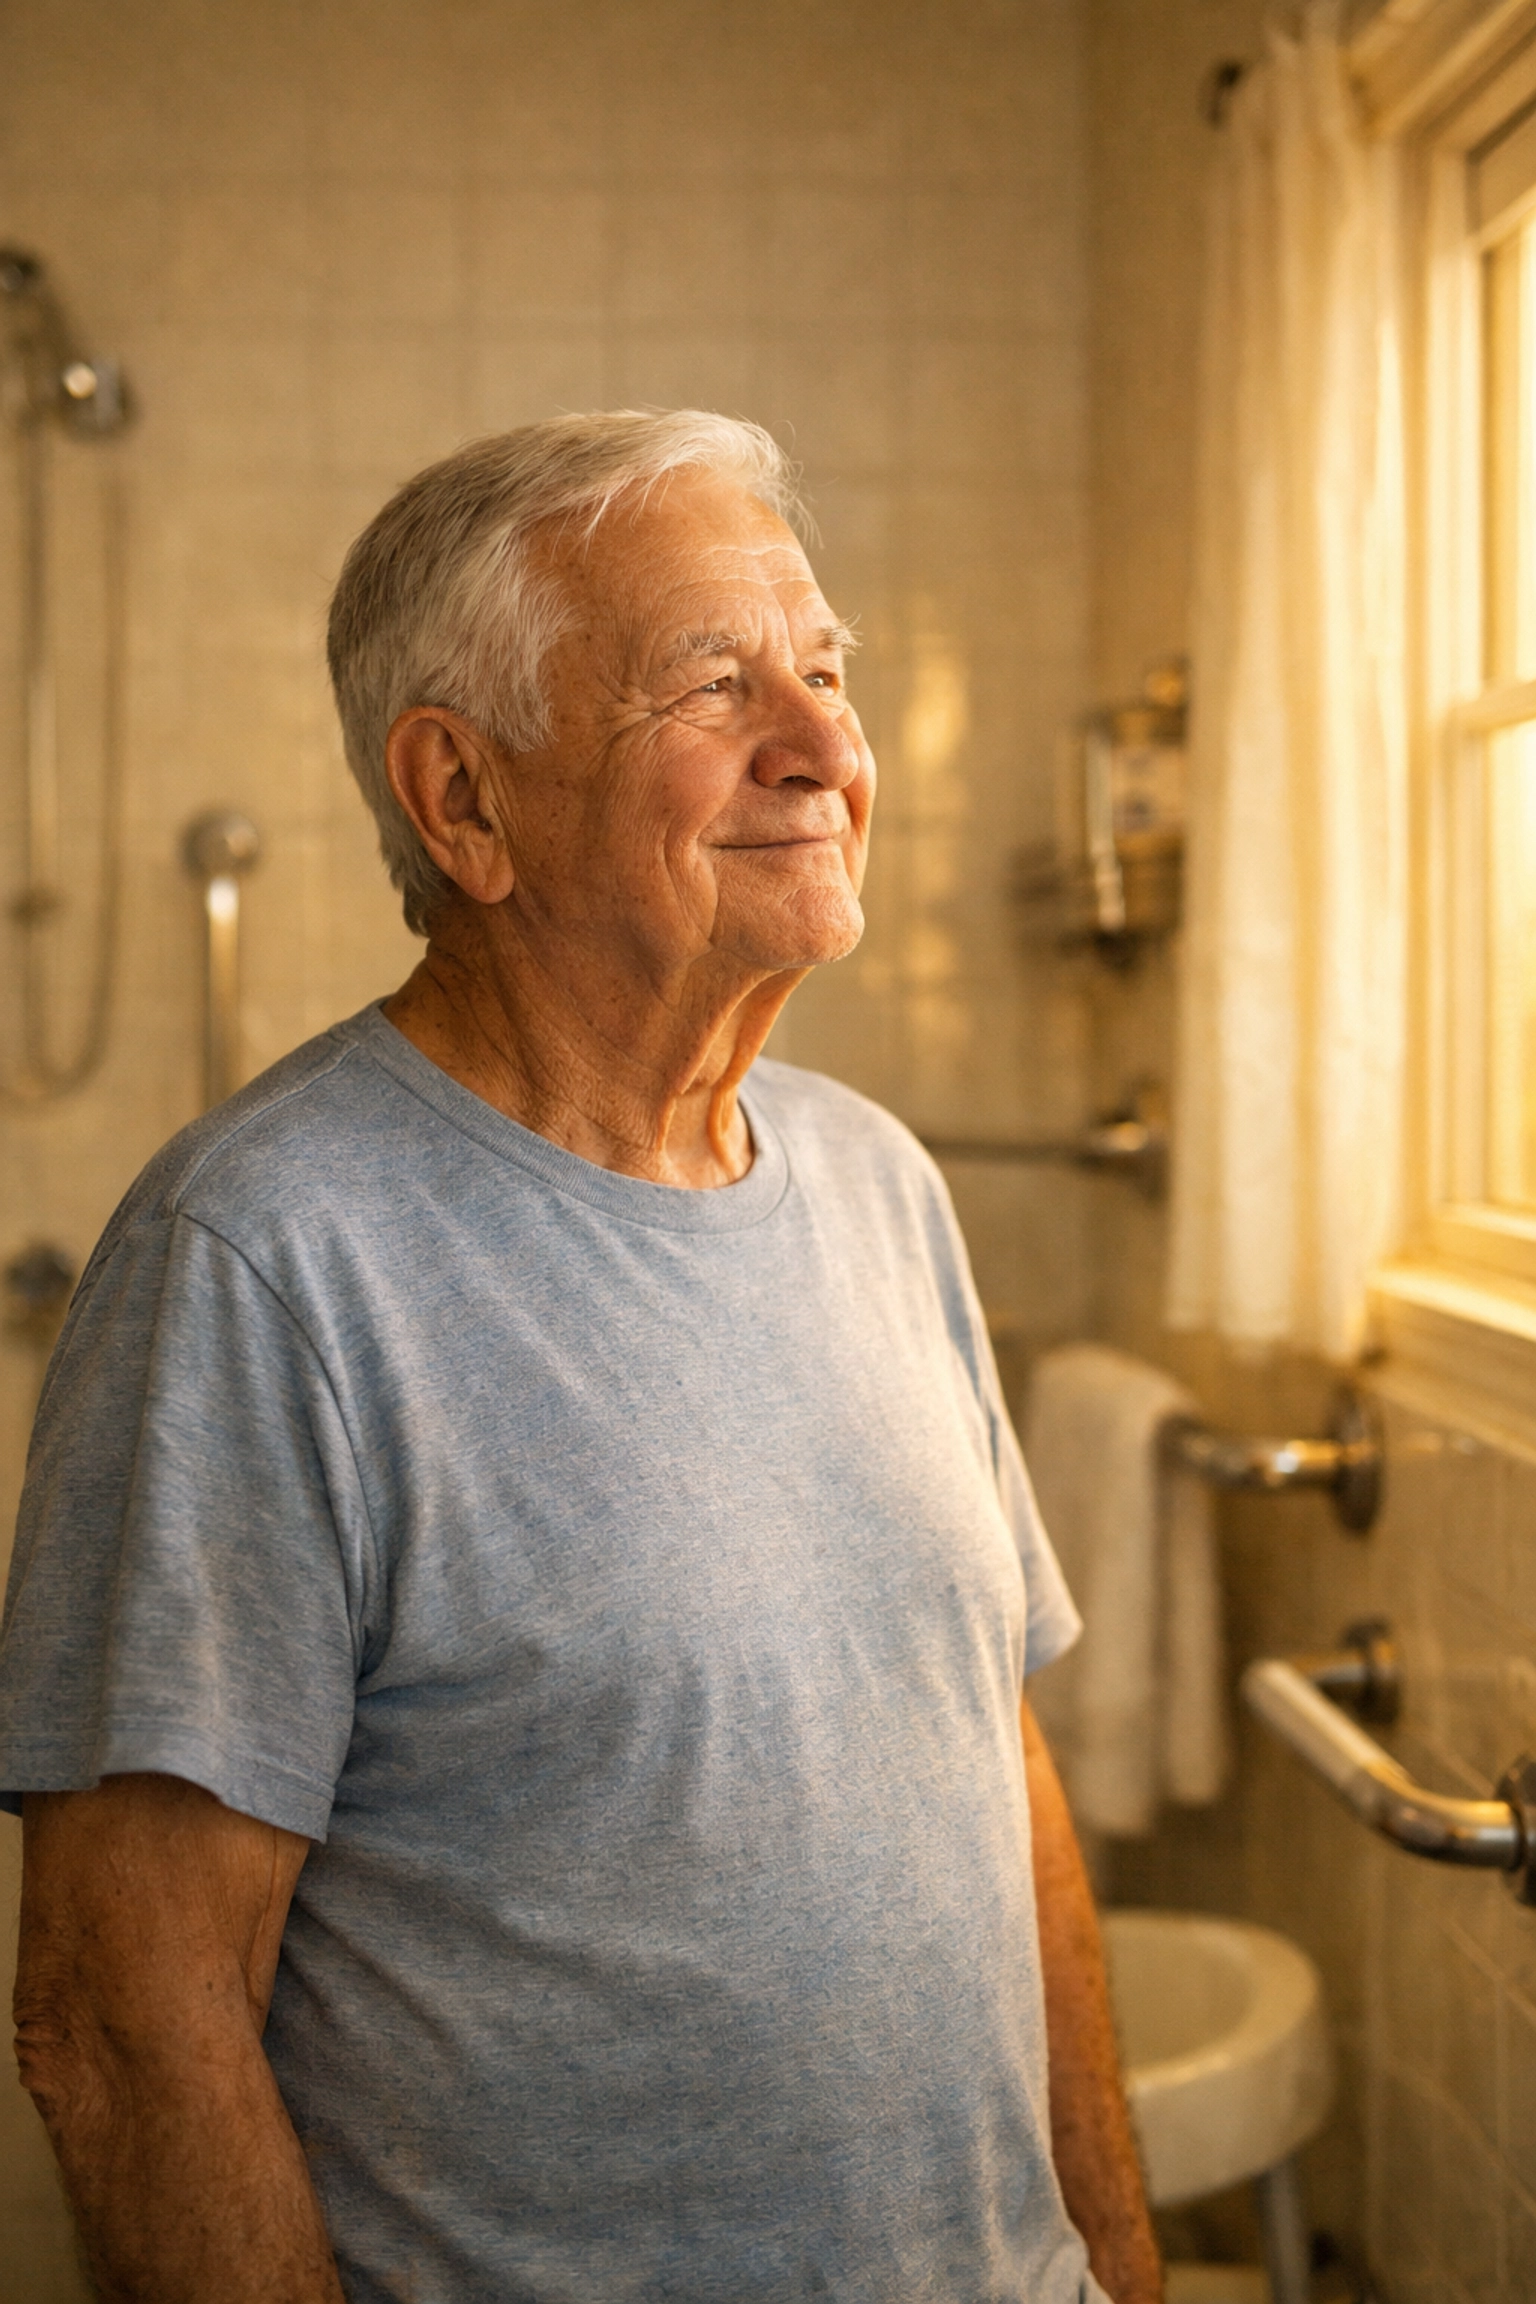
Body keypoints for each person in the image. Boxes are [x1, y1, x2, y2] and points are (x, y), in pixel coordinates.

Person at [2, 411, 1161, 2304]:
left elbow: (993, 1764)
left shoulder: (882, 1183)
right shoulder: (263, 1261)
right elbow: (127, 2025)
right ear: (463, 800)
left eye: (826, 670)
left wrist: (1111, 2260)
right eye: (713, 684)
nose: (823, 746)